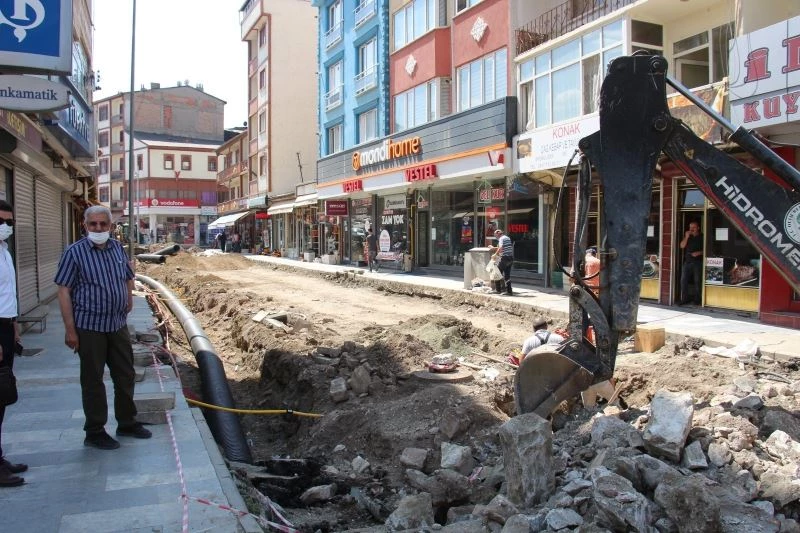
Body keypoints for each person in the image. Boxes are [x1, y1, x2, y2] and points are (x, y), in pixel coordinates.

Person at [55, 206, 152, 450]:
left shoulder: (117, 248)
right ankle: (95, 431)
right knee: (93, 380)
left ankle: (127, 422)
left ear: (111, 226)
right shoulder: (74, 253)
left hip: (117, 324)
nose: (98, 228)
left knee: (125, 374)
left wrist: (128, 298)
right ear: (85, 225)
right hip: (89, 327)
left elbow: (128, 276)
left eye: (103, 224)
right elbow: (64, 291)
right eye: (93, 224)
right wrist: (70, 330)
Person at [0, 200, 25, 487]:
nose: (5, 226)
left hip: (6, 326)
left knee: (2, 394)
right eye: (0, 221)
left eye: (9, 222)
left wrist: (14, 324)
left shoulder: (5, 251)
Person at [679, 221, 703, 305]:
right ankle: (685, 298)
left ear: (698, 228)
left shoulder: (702, 236)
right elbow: (682, 246)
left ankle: (697, 299)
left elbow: (708, 249)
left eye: (694, 227)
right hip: (688, 261)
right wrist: (686, 237)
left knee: (697, 281)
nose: (691, 229)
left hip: (698, 262)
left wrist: (699, 253)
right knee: (683, 280)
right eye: (690, 227)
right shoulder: (688, 237)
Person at [489, 228, 514, 295]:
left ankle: (498, 290)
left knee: (496, 273)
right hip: (510, 258)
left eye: (495, 235)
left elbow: (501, 248)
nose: (495, 237)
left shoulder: (501, 238)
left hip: (504, 258)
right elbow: (503, 247)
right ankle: (509, 291)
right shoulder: (507, 238)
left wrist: (495, 254)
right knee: (507, 275)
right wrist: (493, 248)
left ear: (498, 234)